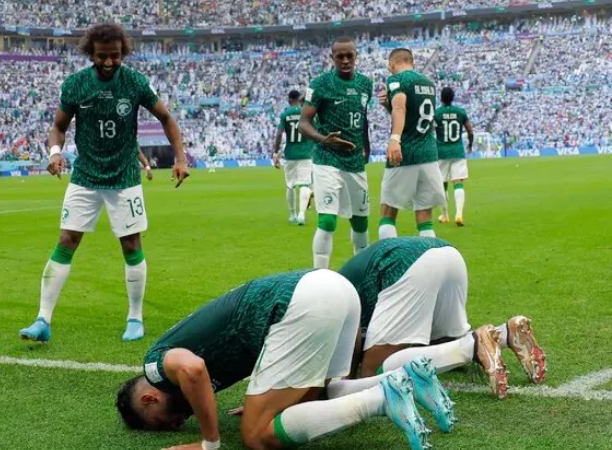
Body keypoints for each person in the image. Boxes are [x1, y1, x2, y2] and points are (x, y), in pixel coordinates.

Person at [116, 270, 454, 450]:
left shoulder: (155, 367)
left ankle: (382, 399)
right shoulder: (177, 352)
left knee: (256, 435)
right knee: (315, 397)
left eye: (163, 422)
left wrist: (209, 443)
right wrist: (268, 398)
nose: (175, 425)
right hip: (331, 288)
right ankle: (406, 377)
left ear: (149, 399)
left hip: (301, 302)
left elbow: (193, 370)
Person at [19, 23, 189, 343]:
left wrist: (180, 158)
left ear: (123, 52)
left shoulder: (136, 82)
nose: (109, 62)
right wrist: (55, 153)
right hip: (85, 175)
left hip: (124, 176)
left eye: (115, 56)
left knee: (131, 244)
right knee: (67, 240)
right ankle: (42, 319)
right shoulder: (76, 85)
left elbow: (166, 118)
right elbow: (58, 126)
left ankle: (135, 318)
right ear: (90, 54)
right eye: (102, 56)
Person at [339, 237, 547, 399]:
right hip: (447, 254)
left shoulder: (328, 303)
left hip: (406, 265)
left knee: (375, 372)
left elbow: (350, 339)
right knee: (443, 344)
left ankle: (473, 346)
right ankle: (505, 333)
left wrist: (344, 379)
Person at [299, 36, 372, 268]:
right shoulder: (320, 84)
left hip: (355, 162)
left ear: (356, 56)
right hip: (327, 159)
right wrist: (325, 140)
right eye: (340, 56)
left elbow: (364, 119)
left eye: (349, 55)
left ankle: (361, 273)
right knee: (328, 220)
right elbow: (303, 122)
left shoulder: (365, 84)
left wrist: (366, 148)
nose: (345, 60)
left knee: (361, 223)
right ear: (332, 58)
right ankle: (320, 276)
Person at [378, 48, 445, 240]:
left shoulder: (397, 79)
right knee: (425, 216)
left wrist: (394, 139)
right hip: (429, 154)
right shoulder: (429, 83)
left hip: (405, 152)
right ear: (412, 62)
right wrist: (386, 105)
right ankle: (431, 264)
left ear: (391, 65)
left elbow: (400, 107)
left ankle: (389, 261)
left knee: (388, 212)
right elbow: (411, 112)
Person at [272, 90, 314, 225]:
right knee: (305, 184)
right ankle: (302, 214)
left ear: (290, 99)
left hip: (290, 154)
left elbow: (279, 134)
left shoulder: (285, 114)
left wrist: (275, 152)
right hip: (306, 153)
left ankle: (292, 214)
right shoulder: (306, 113)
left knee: (290, 185)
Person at [434, 87, 473, 226]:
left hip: (441, 152)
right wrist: (470, 144)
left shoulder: (437, 113)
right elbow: (470, 130)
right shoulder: (460, 112)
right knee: (458, 182)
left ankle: (444, 215)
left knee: (442, 184)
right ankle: (459, 213)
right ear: (453, 97)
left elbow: (430, 130)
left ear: (441, 98)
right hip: (457, 151)